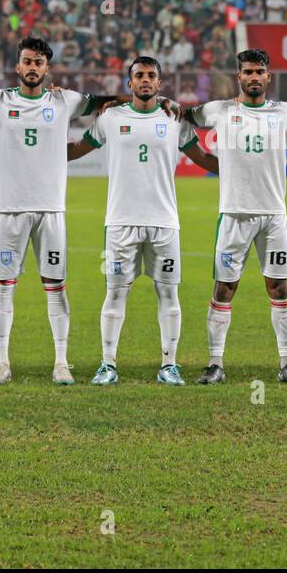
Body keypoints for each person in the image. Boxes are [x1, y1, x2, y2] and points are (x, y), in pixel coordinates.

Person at [0, 37, 120, 385]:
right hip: (9, 208)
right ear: (17, 66)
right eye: (27, 61)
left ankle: (61, 362)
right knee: (4, 286)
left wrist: (147, 102)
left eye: (39, 62)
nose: (33, 67)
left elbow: (101, 103)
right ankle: (2, 362)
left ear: (47, 68)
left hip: (51, 209)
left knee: (55, 285)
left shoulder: (64, 100)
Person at [67, 56, 218, 385]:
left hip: (164, 222)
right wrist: (40, 148)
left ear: (160, 84)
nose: (146, 80)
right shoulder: (110, 118)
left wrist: (243, 164)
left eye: (151, 76)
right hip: (120, 223)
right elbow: (78, 148)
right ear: (129, 84)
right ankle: (108, 364)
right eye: (139, 76)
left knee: (168, 293)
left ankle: (169, 365)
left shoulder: (175, 119)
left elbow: (204, 159)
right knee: (115, 292)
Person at [185, 49, 287, 385]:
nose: (254, 77)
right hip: (234, 215)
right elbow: (181, 118)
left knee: (279, 286)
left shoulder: (285, 113)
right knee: (224, 288)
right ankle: (215, 364)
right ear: (238, 76)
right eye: (247, 72)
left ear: (268, 76)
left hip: (273, 216)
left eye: (260, 71)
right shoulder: (220, 111)